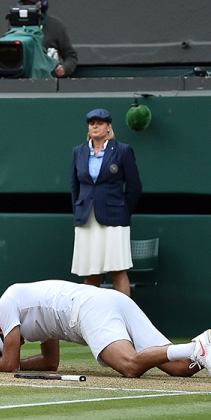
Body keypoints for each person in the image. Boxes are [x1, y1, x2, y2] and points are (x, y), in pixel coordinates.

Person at [0, 280, 211, 382]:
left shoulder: (6, 303)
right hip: (111, 300)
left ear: (0, 329)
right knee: (179, 369)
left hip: (89, 309)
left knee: (131, 366)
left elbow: (8, 363)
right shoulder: (35, 318)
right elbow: (50, 364)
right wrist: (14, 361)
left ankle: (199, 348)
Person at [71, 108, 140, 297]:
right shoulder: (79, 152)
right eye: (92, 122)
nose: (95, 126)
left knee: (117, 270)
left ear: (108, 127)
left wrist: (124, 212)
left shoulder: (122, 150)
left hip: (115, 219)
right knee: (90, 274)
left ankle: (123, 319)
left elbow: (134, 186)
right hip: (86, 219)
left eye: (100, 122)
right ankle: (91, 322)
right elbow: (75, 187)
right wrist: (79, 212)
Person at [18, 0, 77, 78]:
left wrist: (64, 69)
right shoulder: (16, 26)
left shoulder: (55, 25)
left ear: (43, 5)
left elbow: (71, 56)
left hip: (48, 81)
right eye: (25, 5)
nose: (28, 8)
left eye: (32, 5)